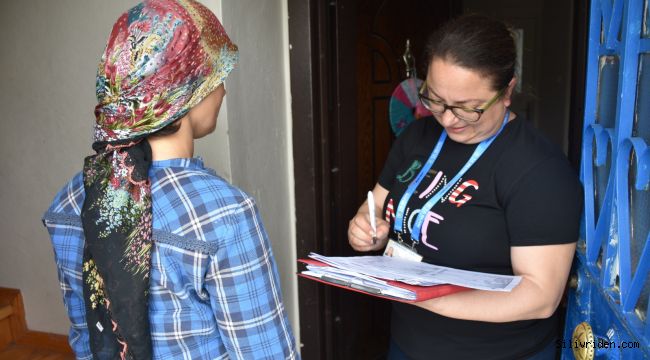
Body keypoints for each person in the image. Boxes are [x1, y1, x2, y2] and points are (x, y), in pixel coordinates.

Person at [42, 1, 299, 358]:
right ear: (186, 93)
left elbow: (87, 340)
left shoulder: (69, 201)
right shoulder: (226, 215)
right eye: (215, 76)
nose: (223, 89)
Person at [348, 14, 581, 360]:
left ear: (507, 92)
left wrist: (429, 296)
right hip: (408, 341)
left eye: (467, 109)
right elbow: (376, 206)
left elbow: (540, 297)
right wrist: (368, 230)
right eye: (435, 99)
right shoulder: (417, 137)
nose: (447, 118)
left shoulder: (538, 170)